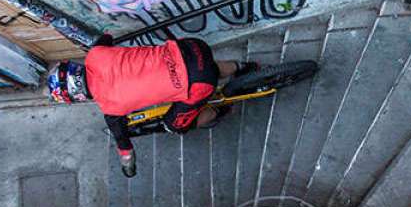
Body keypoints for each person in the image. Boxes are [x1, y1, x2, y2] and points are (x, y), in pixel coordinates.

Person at [47, 35, 255, 177]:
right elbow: (106, 37)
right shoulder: (96, 53)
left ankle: (220, 109)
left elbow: (125, 149)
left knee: (176, 125)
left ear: (77, 96)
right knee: (199, 67)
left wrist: (128, 167)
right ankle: (241, 67)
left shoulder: (111, 109)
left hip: (199, 82)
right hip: (192, 48)